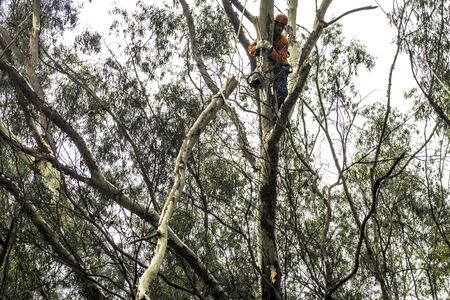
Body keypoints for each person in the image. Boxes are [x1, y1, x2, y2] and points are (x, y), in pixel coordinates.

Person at [248, 13, 290, 109]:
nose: (280, 29)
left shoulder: (283, 41)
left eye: (282, 27)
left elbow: (281, 59)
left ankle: (281, 107)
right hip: (267, 66)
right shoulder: (265, 35)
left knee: (281, 91)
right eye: (278, 25)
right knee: (258, 76)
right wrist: (257, 48)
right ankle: (257, 80)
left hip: (281, 67)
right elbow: (251, 49)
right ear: (274, 24)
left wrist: (271, 49)